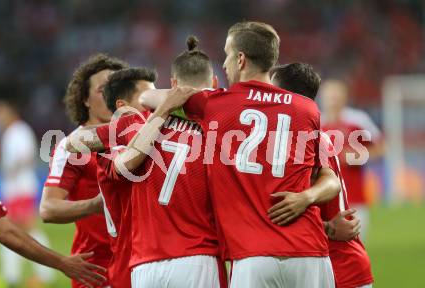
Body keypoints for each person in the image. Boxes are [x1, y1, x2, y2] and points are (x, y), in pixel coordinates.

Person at [135, 22, 341, 288]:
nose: (224, 63)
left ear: (241, 59)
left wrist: (186, 97)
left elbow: (147, 98)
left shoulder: (217, 104)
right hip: (309, 253)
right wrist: (307, 197)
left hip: (253, 257)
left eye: (227, 54)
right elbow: (328, 177)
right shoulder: (308, 109)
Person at [68, 36, 224, 288]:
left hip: (141, 265)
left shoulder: (131, 127)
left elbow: (74, 142)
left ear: (172, 86)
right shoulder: (219, 127)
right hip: (194, 256)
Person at [271, 63, 373, 288]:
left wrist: (326, 227)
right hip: (329, 262)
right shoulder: (315, 132)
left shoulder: (305, 141)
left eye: (272, 90)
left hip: (337, 267)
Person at [40, 53, 128, 288]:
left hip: (141, 263)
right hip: (98, 271)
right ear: (85, 100)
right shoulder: (72, 145)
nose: (112, 95)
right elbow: (48, 209)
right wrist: (95, 205)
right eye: (102, 90)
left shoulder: (138, 138)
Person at [0, 176, 107, 288]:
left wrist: (62, 263)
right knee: (23, 227)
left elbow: (6, 233)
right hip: (12, 184)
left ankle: (37, 275)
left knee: (28, 226)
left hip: (21, 184)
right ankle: (13, 275)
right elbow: (6, 233)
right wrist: (62, 263)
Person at [96, 67, 156, 288]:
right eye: (146, 99)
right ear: (123, 108)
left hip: (156, 264)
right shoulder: (109, 151)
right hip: (129, 268)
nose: (155, 106)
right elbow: (128, 163)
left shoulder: (154, 141)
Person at [0, 100, 53, 287]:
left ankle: (43, 275)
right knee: (13, 231)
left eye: (0, 113)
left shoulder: (19, 131)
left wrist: (12, 170)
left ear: (10, 113)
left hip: (21, 188)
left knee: (22, 231)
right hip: (14, 190)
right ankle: (16, 275)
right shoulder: (12, 132)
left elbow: (26, 156)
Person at [320, 79, 384, 242]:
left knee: (356, 249)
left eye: (337, 94)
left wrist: (359, 155)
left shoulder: (358, 120)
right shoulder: (316, 121)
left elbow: (381, 148)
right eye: (330, 94)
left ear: (345, 96)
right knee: (326, 254)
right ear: (322, 97)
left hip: (355, 198)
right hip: (323, 200)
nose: (333, 98)